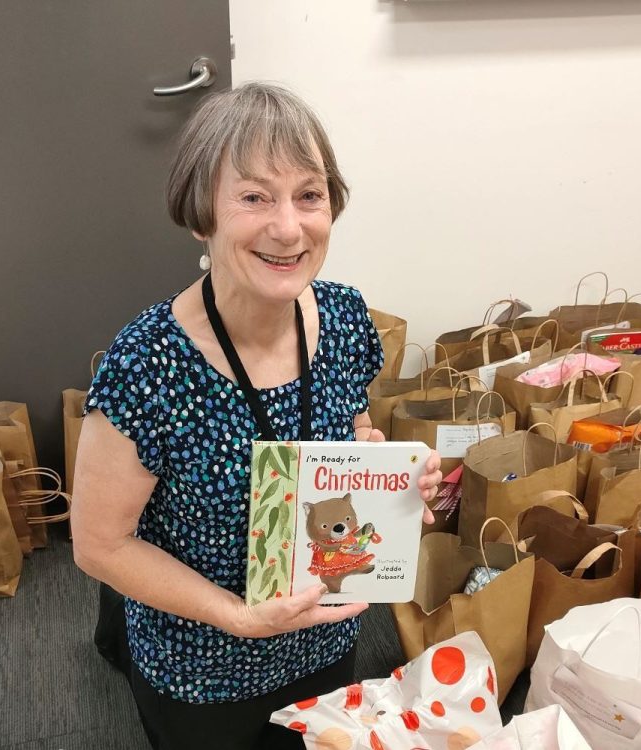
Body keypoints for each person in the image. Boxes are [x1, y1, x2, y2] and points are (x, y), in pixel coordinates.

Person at [71, 82, 442, 749]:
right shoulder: (149, 363)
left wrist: (386, 475)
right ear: (201, 214)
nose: (288, 227)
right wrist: (238, 617)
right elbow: (100, 544)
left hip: (327, 627)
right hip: (204, 660)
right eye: (253, 197)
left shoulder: (348, 317)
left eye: (309, 195)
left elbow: (351, 430)